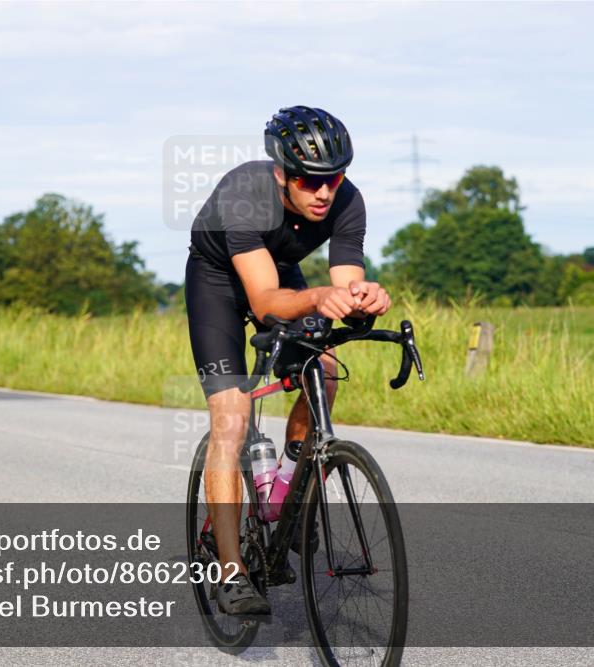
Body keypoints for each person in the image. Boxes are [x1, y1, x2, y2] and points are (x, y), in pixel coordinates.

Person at [185, 106, 392, 614]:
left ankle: (290, 489)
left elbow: (343, 286)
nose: (322, 192)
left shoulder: (347, 202)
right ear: (281, 172)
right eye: (306, 180)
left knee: (322, 368)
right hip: (220, 282)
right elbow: (264, 302)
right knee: (232, 418)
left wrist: (363, 298)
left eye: (333, 178)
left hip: (278, 272)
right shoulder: (245, 195)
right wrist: (321, 297)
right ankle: (231, 572)